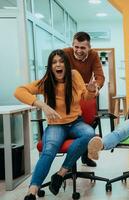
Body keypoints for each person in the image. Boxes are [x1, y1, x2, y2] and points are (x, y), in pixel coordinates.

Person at [15, 49, 97, 200]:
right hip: (55, 125)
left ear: (66, 64)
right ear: (50, 66)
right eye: (54, 62)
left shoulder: (74, 75)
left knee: (89, 133)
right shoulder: (47, 81)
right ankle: (32, 191)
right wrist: (42, 105)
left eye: (61, 61)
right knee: (49, 150)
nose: (58, 65)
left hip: (75, 123)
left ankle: (61, 174)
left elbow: (85, 95)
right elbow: (19, 91)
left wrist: (91, 90)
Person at [63, 31, 105, 167]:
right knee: (72, 125)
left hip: (87, 94)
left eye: (83, 48)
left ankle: (85, 155)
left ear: (89, 47)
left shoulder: (93, 55)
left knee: (91, 122)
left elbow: (100, 76)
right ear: (72, 45)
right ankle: (71, 161)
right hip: (68, 96)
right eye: (76, 47)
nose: (79, 50)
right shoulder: (65, 53)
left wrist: (95, 87)